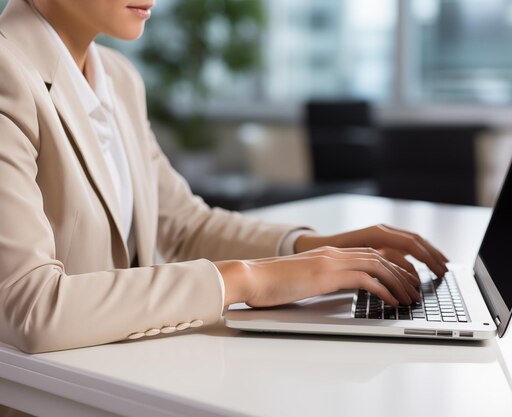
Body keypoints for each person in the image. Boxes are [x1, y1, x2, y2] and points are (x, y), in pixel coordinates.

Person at [0, 0, 448, 357]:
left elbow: (184, 226)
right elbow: (31, 306)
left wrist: (316, 250)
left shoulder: (118, 77)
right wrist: (249, 280)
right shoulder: (8, 71)